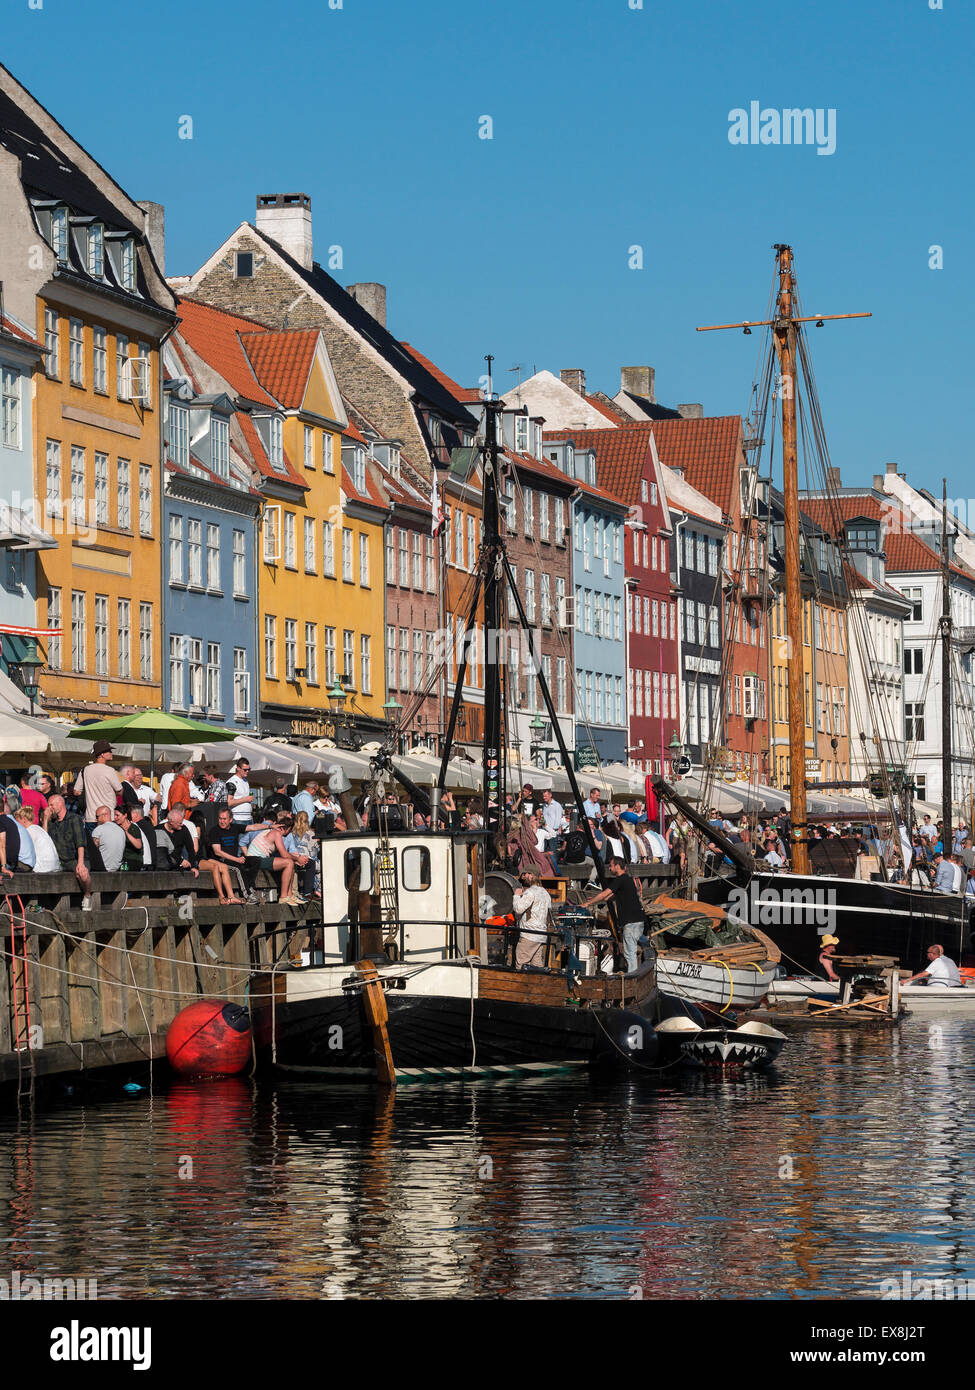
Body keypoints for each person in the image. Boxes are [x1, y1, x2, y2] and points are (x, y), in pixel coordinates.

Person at [586, 856, 648, 974]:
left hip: (631, 923)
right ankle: (634, 974)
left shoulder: (620, 879)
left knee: (630, 953)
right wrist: (596, 899)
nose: (609, 868)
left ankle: (632, 978)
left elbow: (605, 893)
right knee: (631, 951)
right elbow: (611, 896)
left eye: (611, 865)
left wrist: (588, 903)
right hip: (638, 921)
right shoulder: (627, 880)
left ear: (617, 867)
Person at [44, 794, 92, 896]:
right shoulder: (52, 822)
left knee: (82, 874)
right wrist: (45, 819)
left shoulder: (74, 819)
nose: (49, 808)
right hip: (59, 860)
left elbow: (80, 842)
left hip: (73, 859)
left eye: (51, 805)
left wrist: (80, 863)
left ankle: (87, 896)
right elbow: (44, 839)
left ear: (60, 804)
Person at [244, 820, 299, 904]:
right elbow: (284, 854)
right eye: (290, 830)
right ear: (287, 829)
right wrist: (298, 859)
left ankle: (290, 895)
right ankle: (283, 897)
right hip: (255, 860)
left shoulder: (272, 832)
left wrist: (295, 858)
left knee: (291, 862)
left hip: (257, 859)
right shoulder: (276, 833)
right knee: (289, 862)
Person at [511, 870, 552, 969]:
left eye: (527, 874)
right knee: (537, 965)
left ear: (532, 875)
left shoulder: (530, 892)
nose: (525, 876)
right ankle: (537, 983)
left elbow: (518, 909)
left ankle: (521, 983)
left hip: (529, 934)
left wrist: (516, 895)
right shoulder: (545, 893)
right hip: (541, 934)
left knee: (521, 963)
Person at [73, 741, 122, 825]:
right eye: (109, 751)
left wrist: (90, 792)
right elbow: (120, 791)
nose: (111, 753)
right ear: (102, 754)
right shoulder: (109, 770)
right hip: (108, 817)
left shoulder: (85, 770)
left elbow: (76, 792)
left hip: (91, 817)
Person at [154, 804, 200, 877]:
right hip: (163, 864)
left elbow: (190, 849)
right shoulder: (158, 830)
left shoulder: (183, 829)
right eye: (179, 823)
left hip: (178, 864)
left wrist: (193, 866)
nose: (182, 825)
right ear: (171, 822)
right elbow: (164, 851)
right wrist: (180, 861)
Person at [283, 810, 318, 899]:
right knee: (314, 864)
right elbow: (313, 852)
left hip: (292, 858)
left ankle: (302, 890)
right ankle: (308, 892)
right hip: (304, 860)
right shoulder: (311, 834)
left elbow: (285, 847)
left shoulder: (291, 833)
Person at [15, 805, 60, 873]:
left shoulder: (29, 831)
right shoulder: (37, 828)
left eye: (17, 821)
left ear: (24, 820)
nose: (16, 825)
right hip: (54, 866)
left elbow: (22, 853)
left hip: (43, 869)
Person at [90, 804, 126, 872]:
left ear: (104, 815)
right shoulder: (121, 830)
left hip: (102, 869)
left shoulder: (98, 830)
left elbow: (92, 851)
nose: (96, 819)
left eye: (97, 816)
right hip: (117, 869)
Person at [226, 758, 254, 826]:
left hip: (248, 818)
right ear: (238, 768)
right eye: (245, 770)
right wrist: (246, 799)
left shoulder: (245, 781)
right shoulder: (231, 782)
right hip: (238, 819)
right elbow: (229, 802)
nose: (247, 771)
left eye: (249, 769)